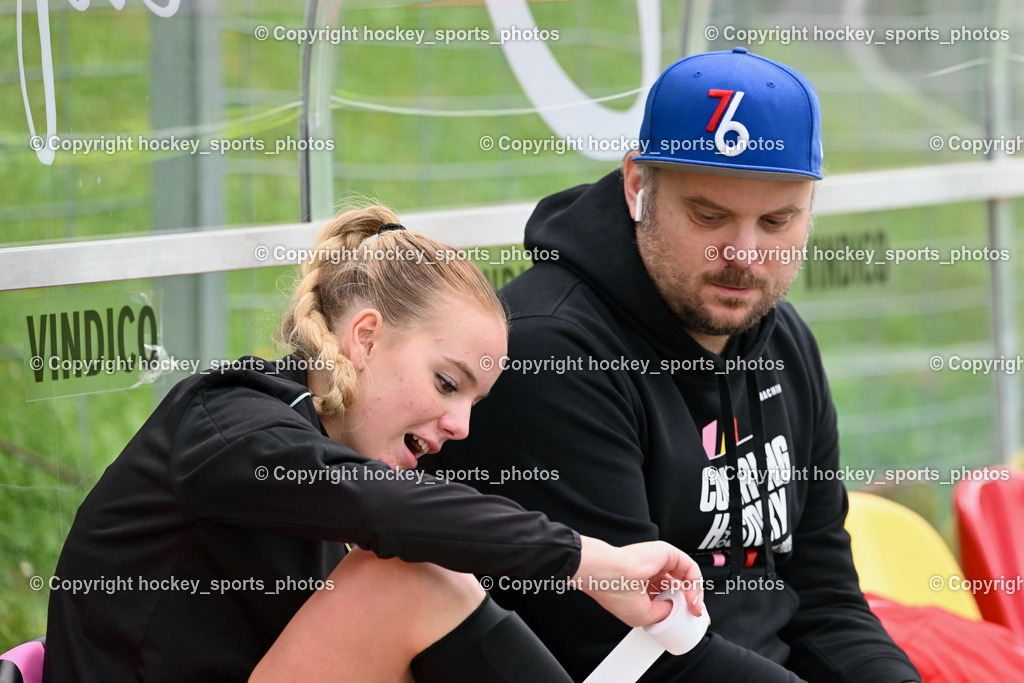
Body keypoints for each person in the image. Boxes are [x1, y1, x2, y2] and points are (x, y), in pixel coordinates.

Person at [42, 206, 705, 682]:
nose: (461, 426)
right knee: (411, 579)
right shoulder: (228, 423)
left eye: (474, 401)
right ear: (363, 338)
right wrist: (588, 561)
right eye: (447, 382)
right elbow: (393, 511)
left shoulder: (335, 456)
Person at [424, 48, 922, 682]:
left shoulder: (783, 339)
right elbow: (629, 653)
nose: (742, 254)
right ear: (639, 186)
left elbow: (825, 599)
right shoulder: (549, 352)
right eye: (708, 216)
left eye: (776, 221)